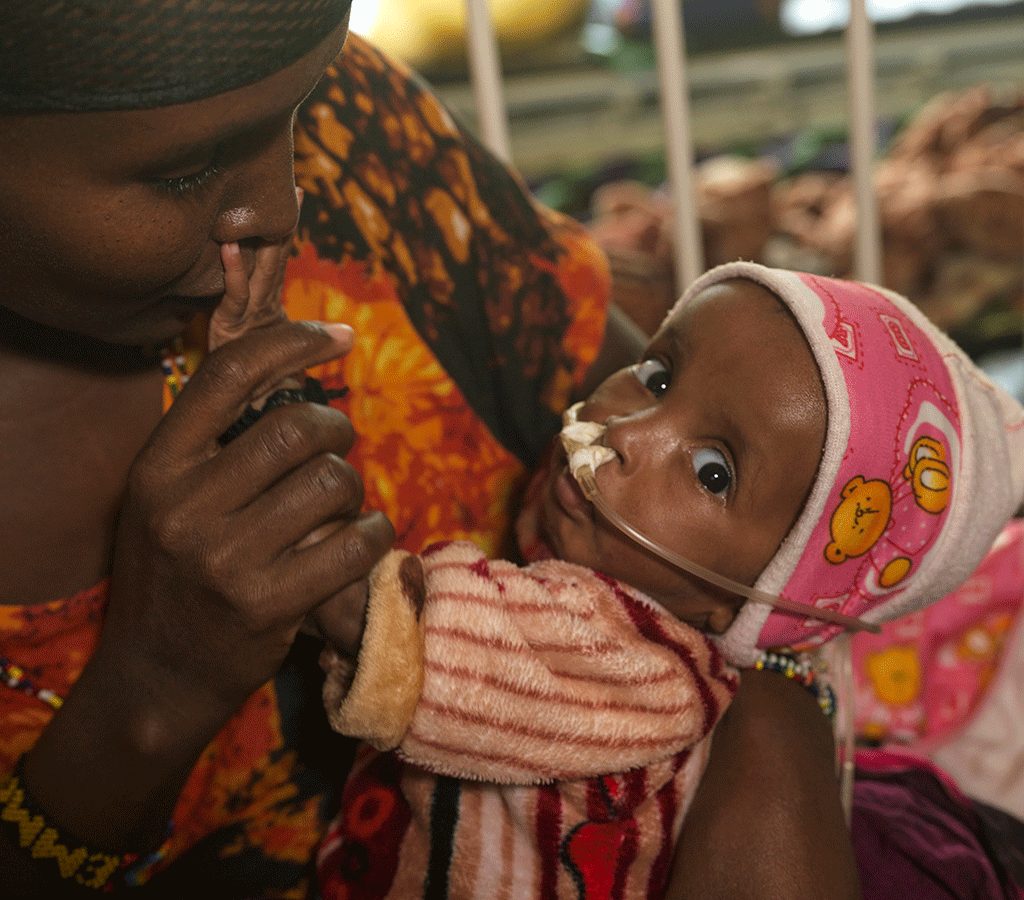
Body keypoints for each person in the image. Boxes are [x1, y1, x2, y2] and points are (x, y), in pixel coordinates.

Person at [0, 4, 857, 897]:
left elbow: (764, 486)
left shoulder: (349, 132)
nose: (285, 203)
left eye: (304, 101)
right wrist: (151, 696)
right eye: (180, 176)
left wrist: (772, 719)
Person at [300, 263, 1023, 898]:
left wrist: (320, 559)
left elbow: (421, 644)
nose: (628, 434)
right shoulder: (585, 535)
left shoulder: (645, 670)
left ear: (748, 603)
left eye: (713, 472)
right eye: (657, 377)